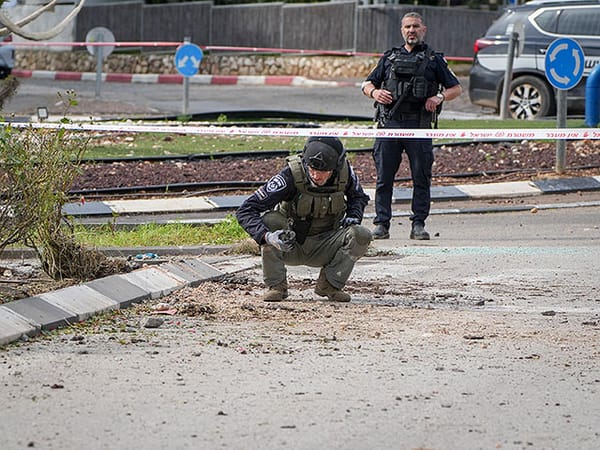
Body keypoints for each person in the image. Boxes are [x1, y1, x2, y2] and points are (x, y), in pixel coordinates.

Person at [361, 12, 462, 240]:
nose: (411, 31)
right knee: (384, 177)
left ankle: (418, 224)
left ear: (423, 29)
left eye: (415, 26)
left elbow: (456, 88)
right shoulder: (388, 58)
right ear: (402, 30)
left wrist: (439, 97)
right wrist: (375, 92)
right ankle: (382, 224)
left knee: (421, 176)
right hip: (390, 124)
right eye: (407, 27)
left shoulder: (433, 60)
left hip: (419, 124)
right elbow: (366, 84)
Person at [236, 136, 372, 303]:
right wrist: (267, 237)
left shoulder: (346, 173)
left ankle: (329, 285)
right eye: (312, 169)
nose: (316, 175)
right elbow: (246, 209)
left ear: (335, 168)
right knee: (269, 221)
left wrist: (354, 215)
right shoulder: (290, 175)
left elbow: (359, 197)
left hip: (326, 244)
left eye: (323, 172)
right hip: (290, 244)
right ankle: (276, 286)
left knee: (361, 234)